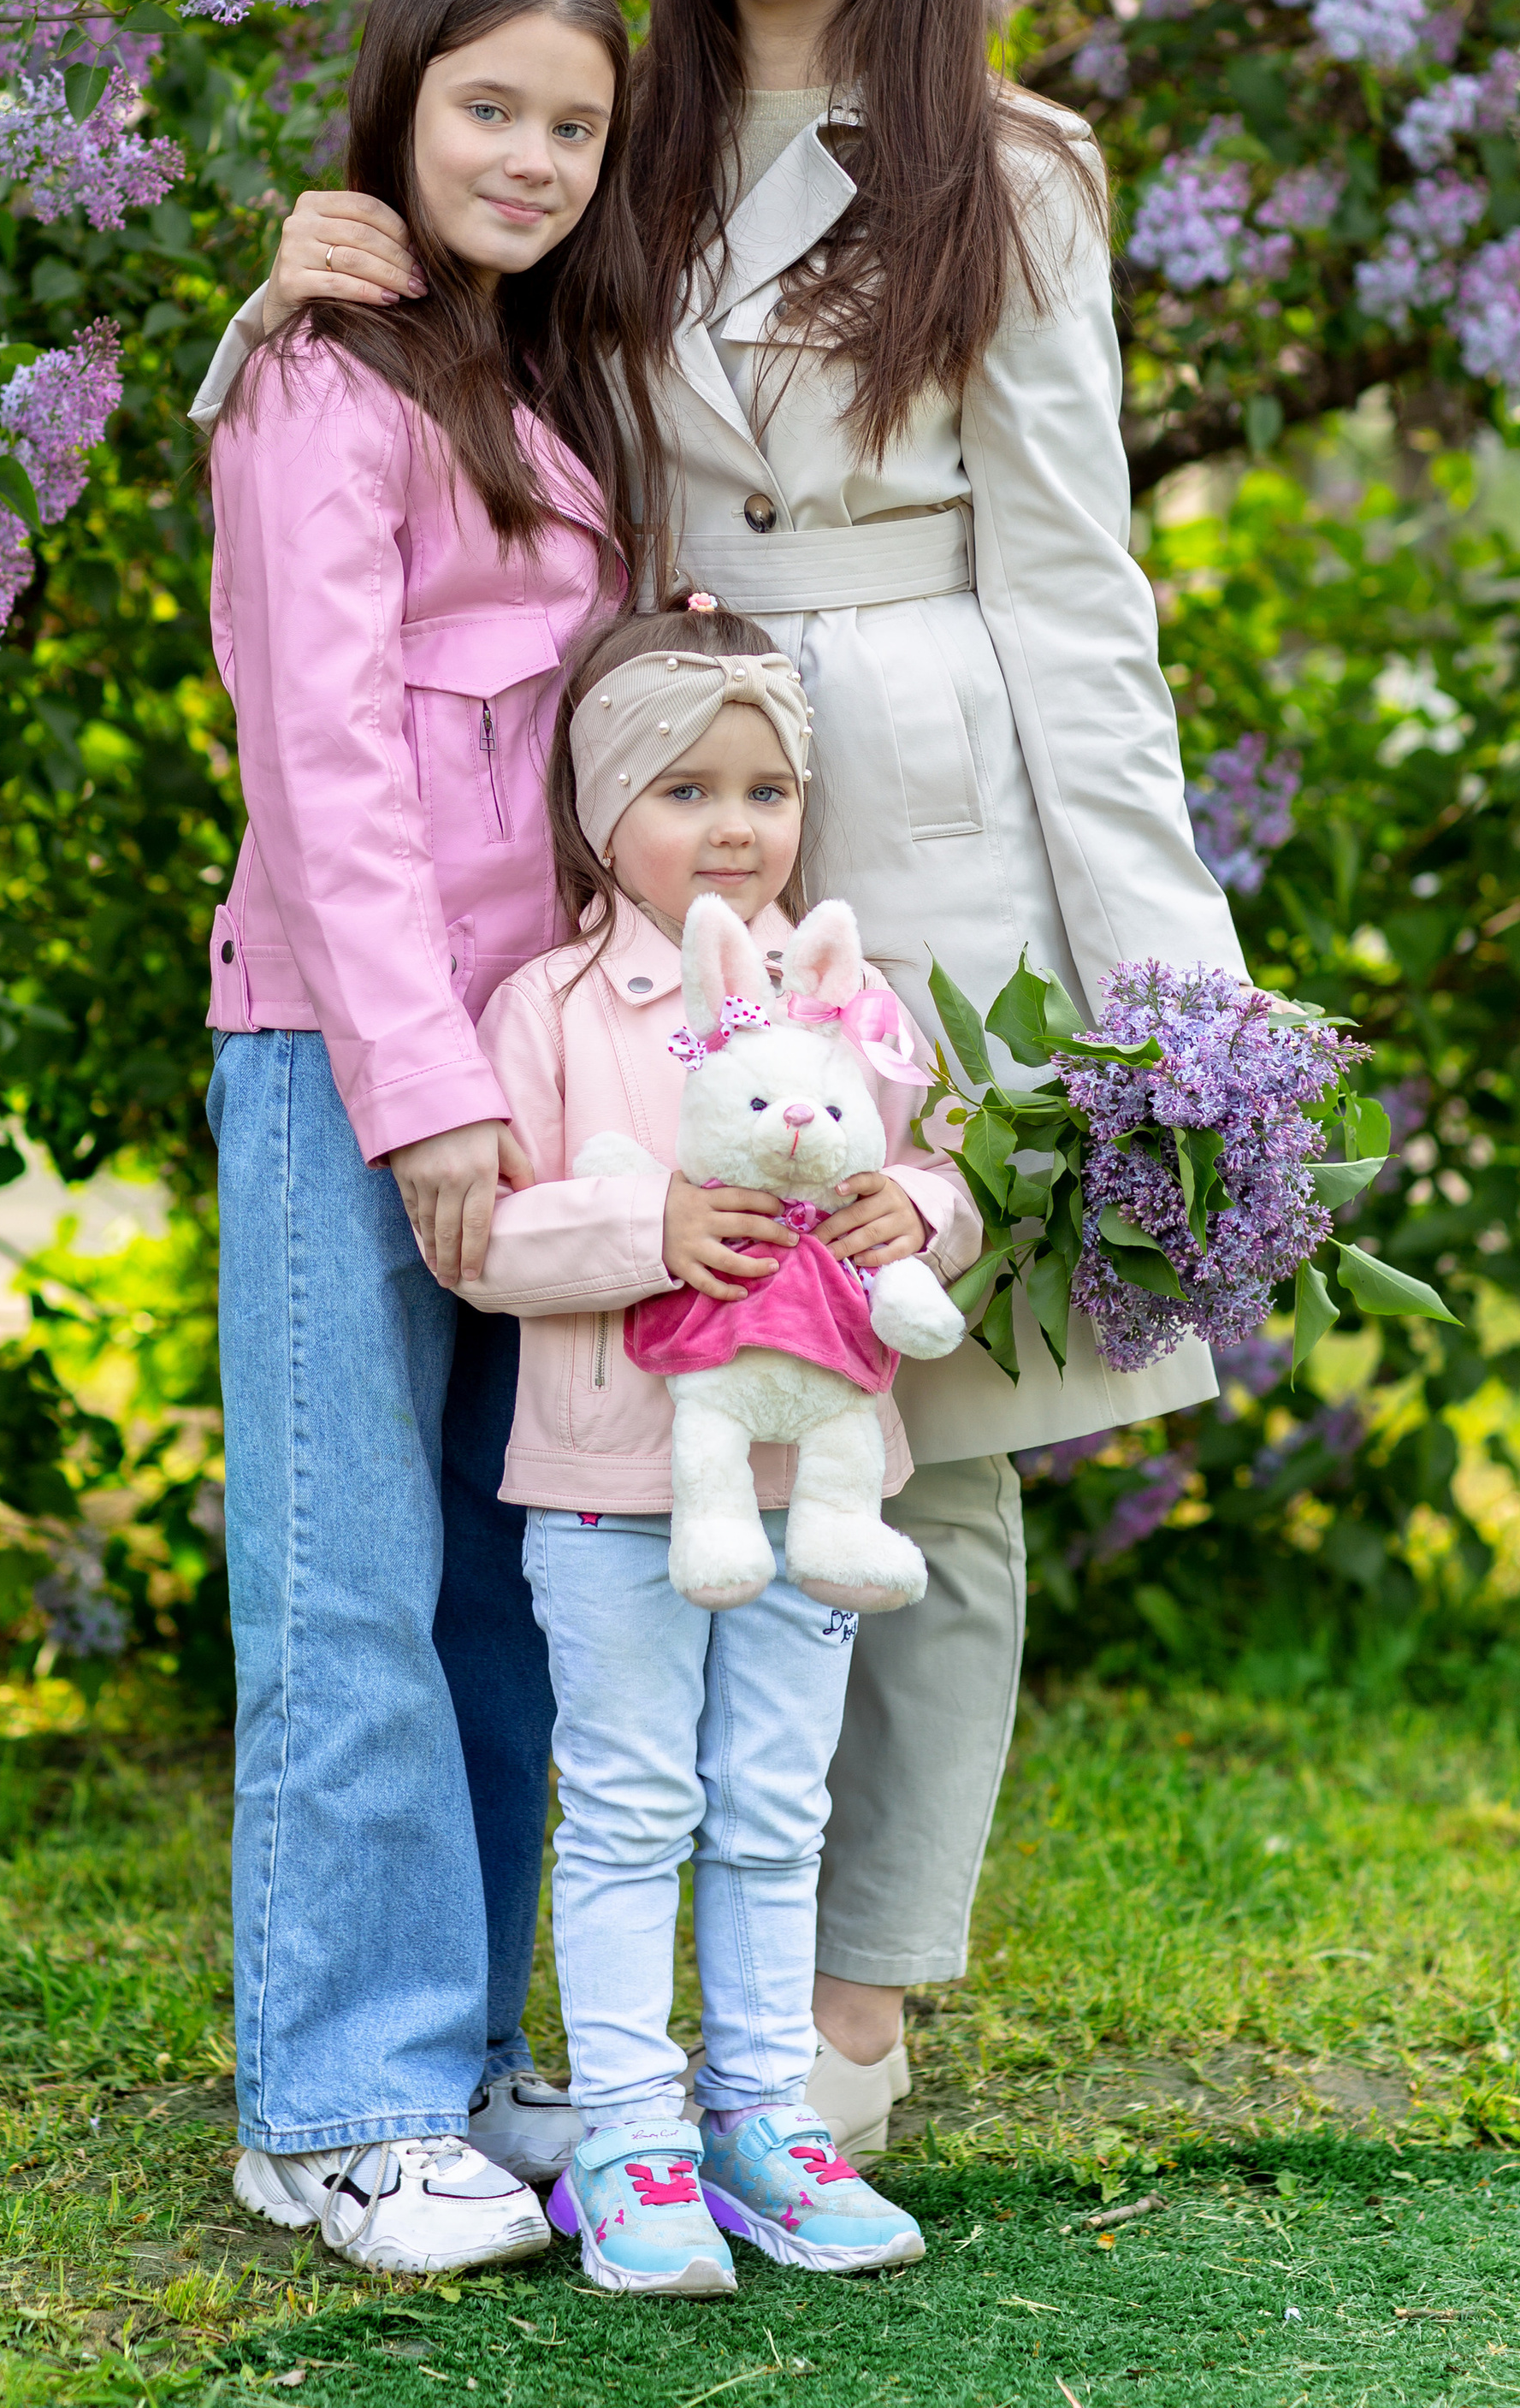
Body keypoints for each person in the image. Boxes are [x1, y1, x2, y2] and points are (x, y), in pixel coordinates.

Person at [199, 0, 1250, 2162]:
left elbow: (1083, 596)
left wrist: (1165, 982)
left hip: (940, 789)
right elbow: (429, 396)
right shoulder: (609, 130)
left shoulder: (1009, 170)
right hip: (661, 798)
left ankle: (856, 1998)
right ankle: (615, 2010)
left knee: (949, 1418)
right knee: (623, 1406)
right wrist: (288, 282)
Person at [204, 0, 647, 2274]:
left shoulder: (544, 386)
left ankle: (461, 2056)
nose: (533, 155)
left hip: (540, 1069)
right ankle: (331, 2104)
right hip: (345, 1064)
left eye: (572, 123)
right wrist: (424, 1099)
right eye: (490, 108)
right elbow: (335, 774)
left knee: (504, 1583)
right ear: (398, 110)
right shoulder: (318, 384)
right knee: (350, 1588)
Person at [458, 596, 973, 2293]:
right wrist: (647, 1224)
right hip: (614, 1493)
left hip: (813, 1484)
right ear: (600, 810)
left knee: (772, 1805)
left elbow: (932, 1182)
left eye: (762, 788)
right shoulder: (548, 1007)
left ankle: (762, 2120)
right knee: (624, 1808)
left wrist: (919, 1207)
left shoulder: (855, 1005)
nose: (731, 827)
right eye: (683, 790)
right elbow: (481, 1239)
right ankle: (625, 2137)